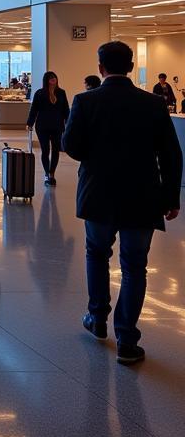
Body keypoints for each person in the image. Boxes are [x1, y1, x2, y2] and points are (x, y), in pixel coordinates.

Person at [62, 41, 182, 365]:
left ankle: (97, 318)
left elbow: (70, 144)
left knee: (97, 253)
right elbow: (172, 155)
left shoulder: (85, 101)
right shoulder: (154, 104)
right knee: (134, 266)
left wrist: (95, 156)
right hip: (142, 198)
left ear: (100, 67)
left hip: (98, 194)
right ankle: (128, 338)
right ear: (130, 67)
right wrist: (172, 197)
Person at [27, 70, 70, 186]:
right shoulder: (40, 93)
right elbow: (34, 109)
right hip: (42, 126)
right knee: (45, 150)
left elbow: (66, 109)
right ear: (46, 80)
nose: (53, 79)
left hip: (57, 126)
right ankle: (47, 173)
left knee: (56, 150)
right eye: (50, 78)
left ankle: (52, 174)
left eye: (54, 77)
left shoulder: (61, 93)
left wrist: (69, 122)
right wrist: (29, 123)